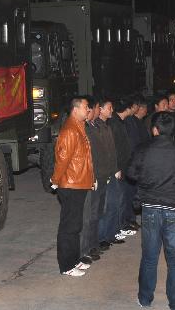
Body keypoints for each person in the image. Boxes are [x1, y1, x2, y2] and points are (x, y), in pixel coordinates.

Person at [127, 112, 175, 310]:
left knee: (150, 256)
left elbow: (131, 173)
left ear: (154, 130)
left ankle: (145, 299)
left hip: (150, 208)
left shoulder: (143, 150)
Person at [51, 96, 95, 276]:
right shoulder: (70, 130)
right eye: (86, 107)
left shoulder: (79, 127)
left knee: (75, 225)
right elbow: (62, 160)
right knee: (69, 226)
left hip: (79, 183)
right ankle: (66, 266)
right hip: (71, 184)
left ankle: (74, 260)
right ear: (75, 110)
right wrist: (55, 180)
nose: (89, 110)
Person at [82, 96, 116, 261]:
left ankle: (94, 244)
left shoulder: (95, 126)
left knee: (98, 212)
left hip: (102, 174)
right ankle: (88, 247)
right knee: (91, 214)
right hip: (95, 176)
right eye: (91, 108)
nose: (92, 111)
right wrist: (93, 176)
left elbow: (105, 152)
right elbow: (91, 156)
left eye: (92, 108)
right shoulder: (86, 129)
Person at [107, 98, 136, 239]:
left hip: (124, 166)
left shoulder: (120, 122)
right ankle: (116, 229)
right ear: (127, 108)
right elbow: (115, 148)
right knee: (117, 200)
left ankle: (120, 226)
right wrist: (117, 167)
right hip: (118, 168)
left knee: (122, 198)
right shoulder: (114, 124)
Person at [96, 97, 121, 250]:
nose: (112, 110)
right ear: (101, 110)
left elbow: (112, 151)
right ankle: (101, 238)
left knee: (113, 204)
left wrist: (116, 168)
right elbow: (101, 154)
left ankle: (109, 234)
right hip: (104, 174)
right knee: (104, 208)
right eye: (109, 107)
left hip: (112, 172)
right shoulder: (97, 128)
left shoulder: (106, 126)